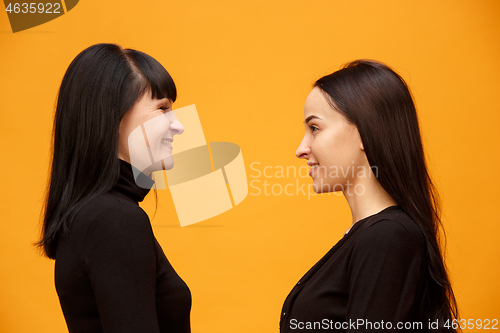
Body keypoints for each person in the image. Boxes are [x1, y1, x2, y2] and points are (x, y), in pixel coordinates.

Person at [280, 60, 460, 332]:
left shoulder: (387, 238)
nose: (301, 149)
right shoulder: (371, 236)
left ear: (366, 130)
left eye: (314, 128)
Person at [36, 43, 191, 332]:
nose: (178, 125)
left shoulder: (94, 214)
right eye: (163, 108)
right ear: (112, 115)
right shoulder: (114, 219)